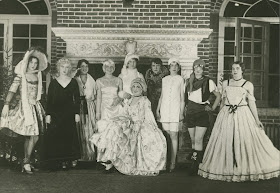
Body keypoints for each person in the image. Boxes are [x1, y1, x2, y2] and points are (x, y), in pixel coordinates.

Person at [198, 61, 280, 182]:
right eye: (233, 69)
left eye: (237, 68)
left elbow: (251, 103)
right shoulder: (225, 83)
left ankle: (242, 167)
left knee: (242, 140)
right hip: (226, 115)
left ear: (242, 70)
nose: (235, 71)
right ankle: (227, 167)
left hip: (242, 115)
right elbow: (222, 101)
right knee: (226, 141)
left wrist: (257, 120)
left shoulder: (248, 85)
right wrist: (220, 117)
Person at [91, 78, 167, 175]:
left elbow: (146, 116)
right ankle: (109, 161)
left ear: (142, 89)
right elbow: (125, 113)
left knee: (131, 134)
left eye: (138, 87)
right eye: (134, 86)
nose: (135, 89)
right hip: (129, 122)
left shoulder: (144, 100)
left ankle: (115, 162)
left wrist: (137, 127)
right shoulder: (129, 99)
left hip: (140, 123)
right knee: (113, 127)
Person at [0, 47, 48, 174]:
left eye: (36, 63)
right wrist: (6, 104)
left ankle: (26, 161)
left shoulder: (38, 75)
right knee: (32, 135)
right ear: (27, 63)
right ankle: (26, 162)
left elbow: (39, 93)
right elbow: (12, 90)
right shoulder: (21, 75)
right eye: (31, 62)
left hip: (35, 107)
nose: (33, 65)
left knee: (33, 136)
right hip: (24, 107)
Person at [184, 59, 221, 175]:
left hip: (202, 113)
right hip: (190, 113)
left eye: (200, 67)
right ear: (193, 68)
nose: (198, 69)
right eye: (196, 67)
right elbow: (187, 98)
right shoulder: (188, 81)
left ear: (203, 69)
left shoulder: (208, 81)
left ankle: (194, 167)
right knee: (193, 140)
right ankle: (197, 161)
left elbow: (219, 96)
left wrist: (213, 108)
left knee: (199, 139)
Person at [45, 57, 81, 170]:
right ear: (58, 68)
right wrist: (48, 114)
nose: (64, 70)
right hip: (56, 114)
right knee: (58, 137)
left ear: (69, 69)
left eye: (67, 67)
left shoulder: (74, 82)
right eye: (62, 67)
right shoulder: (53, 83)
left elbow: (77, 99)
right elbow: (49, 100)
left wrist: (77, 113)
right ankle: (61, 160)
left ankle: (70, 158)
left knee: (69, 136)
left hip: (69, 113)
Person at [92, 59, 125, 170]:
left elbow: (121, 95)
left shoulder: (118, 80)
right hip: (105, 109)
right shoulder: (99, 81)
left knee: (116, 133)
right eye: (107, 67)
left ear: (114, 68)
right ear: (103, 68)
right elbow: (99, 98)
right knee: (104, 133)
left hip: (116, 109)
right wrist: (98, 112)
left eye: (111, 67)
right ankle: (104, 160)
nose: (109, 69)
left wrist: (118, 101)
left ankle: (115, 160)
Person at [156, 58, 185, 172]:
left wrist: (181, 112)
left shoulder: (181, 79)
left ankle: (173, 162)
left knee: (173, 135)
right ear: (169, 67)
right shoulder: (164, 79)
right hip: (164, 109)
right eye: (171, 65)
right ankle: (165, 161)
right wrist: (158, 110)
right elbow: (162, 96)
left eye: (175, 65)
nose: (173, 67)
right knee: (165, 136)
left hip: (175, 109)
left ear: (178, 67)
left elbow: (182, 98)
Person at [75, 59, 96, 162]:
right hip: (79, 106)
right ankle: (79, 156)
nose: (84, 68)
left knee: (89, 129)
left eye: (86, 66)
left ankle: (90, 155)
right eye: (82, 66)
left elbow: (95, 95)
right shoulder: (75, 79)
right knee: (79, 129)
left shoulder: (92, 80)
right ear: (79, 68)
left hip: (89, 106)